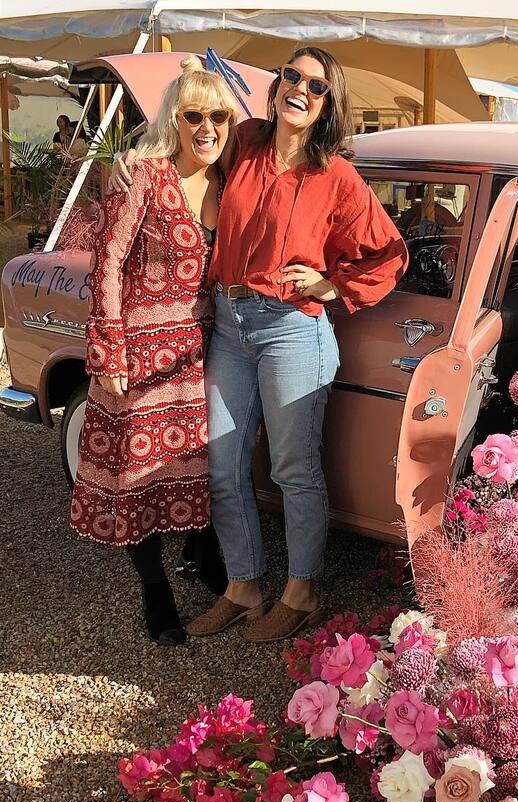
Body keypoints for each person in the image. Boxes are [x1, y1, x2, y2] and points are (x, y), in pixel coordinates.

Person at [116, 48, 408, 643]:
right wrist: (131, 161)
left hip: (292, 329)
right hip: (228, 323)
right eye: (291, 77)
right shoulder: (243, 139)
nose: (300, 89)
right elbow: (185, 139)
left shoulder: (336, 176)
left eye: (316, 86)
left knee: (292, 468)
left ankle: (302, 592)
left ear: (329, 104)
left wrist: (333, 283)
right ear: (276, 88)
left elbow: (389, 252)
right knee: (223, 467)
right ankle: (243, 585)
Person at [71, 58, 233, 645]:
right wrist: (108, 350)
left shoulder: (227, 181)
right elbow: (108, 262)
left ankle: (199, 554)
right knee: (139, 474)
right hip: (140, 351)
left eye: (219, 115)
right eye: (195, 115)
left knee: (197, 464)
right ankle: (154, 587)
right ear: (176, 119)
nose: (207, 126)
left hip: (202, 352)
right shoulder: (143, 173)